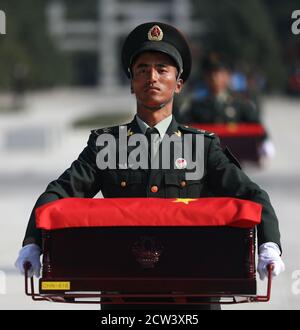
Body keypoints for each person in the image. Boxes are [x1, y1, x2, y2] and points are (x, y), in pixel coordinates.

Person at [15, 22, 285, 309]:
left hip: (192, 295)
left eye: (162, 69)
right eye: (142, 69)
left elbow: (251, 195)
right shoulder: (108, 144)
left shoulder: (203, 147)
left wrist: (269, 245)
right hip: (124, 297)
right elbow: (59, 192)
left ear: (178, 83)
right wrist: (33, 242)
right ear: (131, 82)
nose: (151, 77)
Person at [180, 53, 276, 159]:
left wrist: (265, 140)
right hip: (203, 160)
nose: (214, 77)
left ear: (227, 76)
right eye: (210, 73)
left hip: (233, 160)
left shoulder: (239, 104)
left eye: (218, 73)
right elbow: (183, 128)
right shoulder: (196, 105)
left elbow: (256, 124)